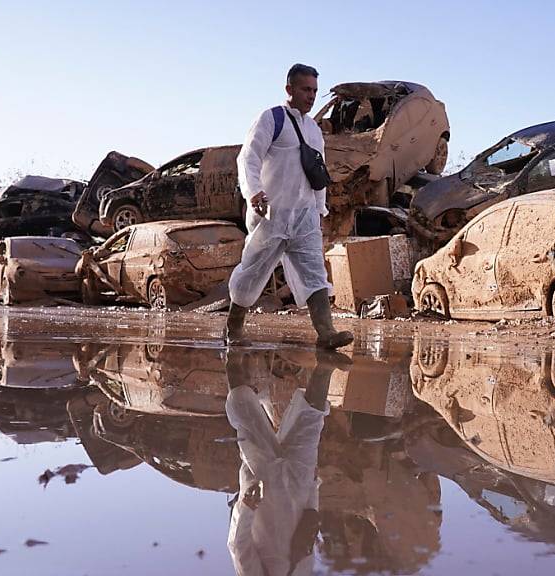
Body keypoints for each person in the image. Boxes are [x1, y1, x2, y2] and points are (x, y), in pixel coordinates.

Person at [225, 63, 353, 349]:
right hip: (271, 214)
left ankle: (326, 332)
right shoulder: (272, 119)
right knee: (253, 270)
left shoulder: (314, 130)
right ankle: (233, 328)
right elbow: (248, 158)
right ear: (289, 89)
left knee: (314, 272)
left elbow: (317, 174)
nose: (311, 96)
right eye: (306, 89)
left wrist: (320, 210)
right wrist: (254, 192)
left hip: (304, 216)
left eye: (315, 91)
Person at [225, 348, 344, 576]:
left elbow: (238, 547)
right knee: (311, 420)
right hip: (299, 484)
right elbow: (309, 527)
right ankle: (326, 359)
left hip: (263, 484)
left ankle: (234, 348)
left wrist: (246, 509)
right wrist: (314, 486)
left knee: (242, 406)